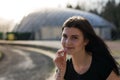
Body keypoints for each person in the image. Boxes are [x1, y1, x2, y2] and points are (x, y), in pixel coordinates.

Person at [53, 16, 120, 80]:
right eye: (65, 36)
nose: (67, 42)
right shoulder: (65, 68)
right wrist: (60, 72)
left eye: (74, 37)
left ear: (86, 41)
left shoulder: (102, 65)